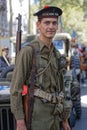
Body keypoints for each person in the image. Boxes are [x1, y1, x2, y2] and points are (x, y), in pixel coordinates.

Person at [10, 6, 71, 130]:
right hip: (36, 118)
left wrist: (64, 119)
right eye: (46, 22)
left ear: (57, 26)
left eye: (54, 23)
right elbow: (15, 89)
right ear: (38, 25)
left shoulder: (56, 54)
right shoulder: (28, 52)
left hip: (55, 116)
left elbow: (61, 89)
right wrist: (20, 121)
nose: (51, 27)